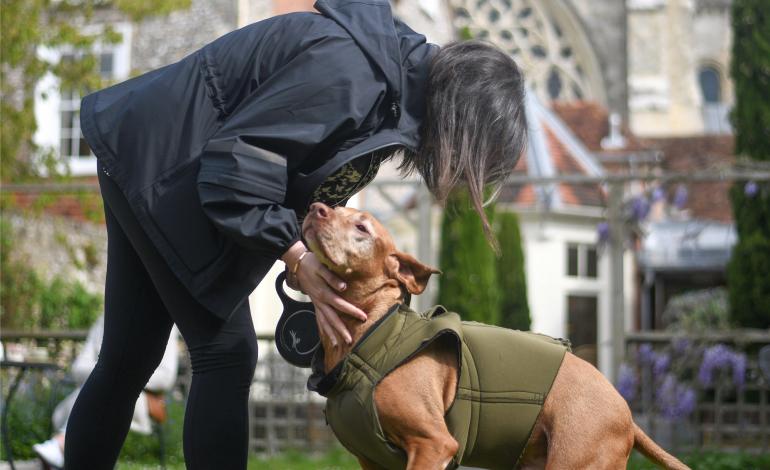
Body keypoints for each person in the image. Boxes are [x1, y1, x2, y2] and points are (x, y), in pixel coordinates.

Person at [66, 0, 528, 468]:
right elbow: (237, 166)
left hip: (149, 153)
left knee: (128, 358)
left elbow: (295, 174)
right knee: (226, 354)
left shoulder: (387, 92)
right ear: (460, 114)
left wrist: (316, 254)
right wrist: (294, 256)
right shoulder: (350, 74)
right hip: (168, 163)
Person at [33, 314, 178, 468]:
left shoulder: (163, 317)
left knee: (100, 397)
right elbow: (78, 367)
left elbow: (166, 376)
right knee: (94, 395)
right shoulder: (104, 319)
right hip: (99, 392)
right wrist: (107, 374)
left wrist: (116, 373)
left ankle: (61, 446)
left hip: (137, 398)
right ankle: (62, 450)